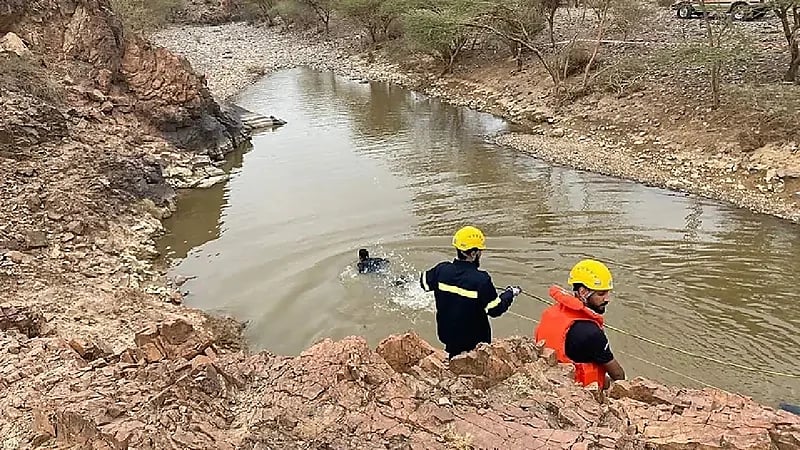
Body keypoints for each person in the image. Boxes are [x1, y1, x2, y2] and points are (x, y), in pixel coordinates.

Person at [420, 226, 521, 359]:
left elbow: (424, 283)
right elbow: (495, 310)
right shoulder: (481, 280)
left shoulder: (442, 270)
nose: (480, 254)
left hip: (447, 336)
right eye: (479, 251)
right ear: (473, 254)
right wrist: (510, 293)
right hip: (475, 342)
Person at [534, 259, 626, 389]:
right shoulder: (591, 332)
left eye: (608, 292)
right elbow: (617, 375)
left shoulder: (551, 312)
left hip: (551, 377)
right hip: (577, 389)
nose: (607, 299)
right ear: (583, 292)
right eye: (601, 294)